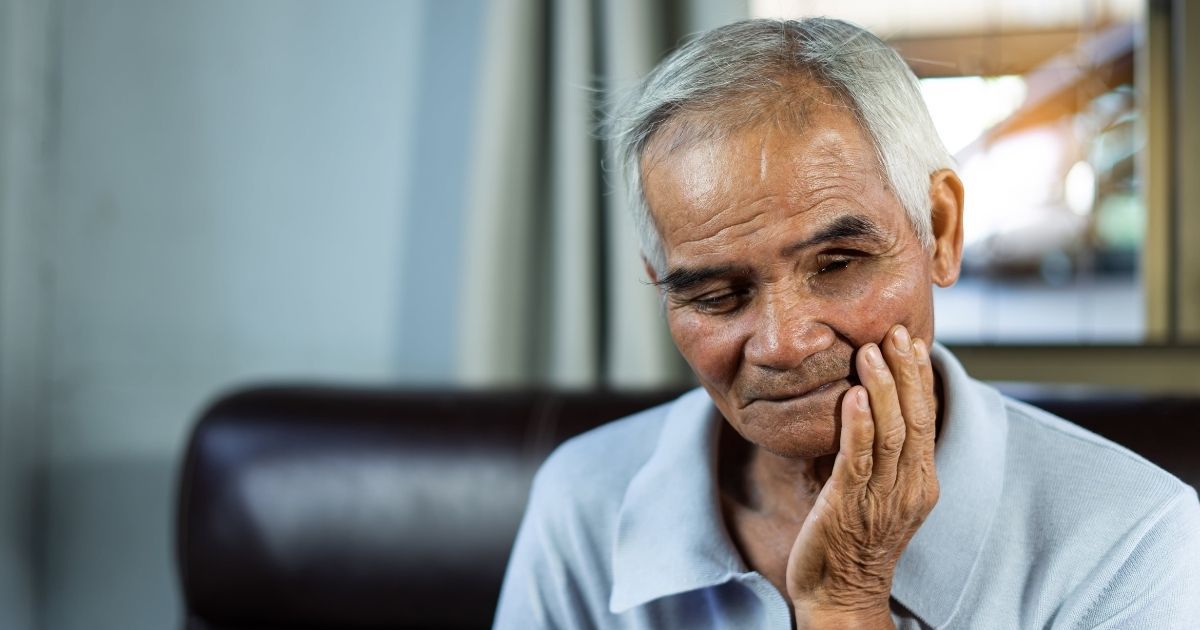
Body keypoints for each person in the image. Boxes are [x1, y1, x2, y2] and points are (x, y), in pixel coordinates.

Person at [493, 17, 1200, 629]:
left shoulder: (1131, 537)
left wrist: (845, 602)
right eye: (717, 296)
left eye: (837, 263)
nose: (783, 343)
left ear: (941, 230)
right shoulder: (584, 499)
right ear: (663, 291)